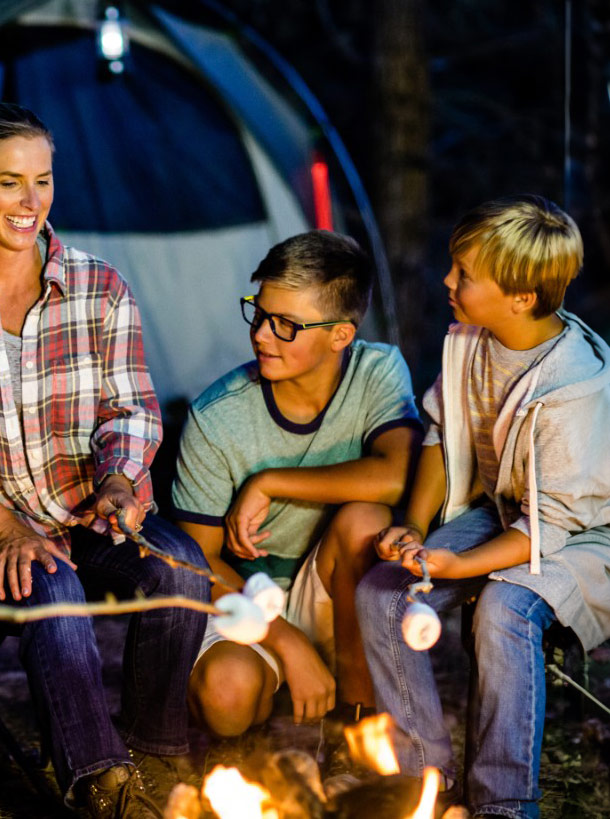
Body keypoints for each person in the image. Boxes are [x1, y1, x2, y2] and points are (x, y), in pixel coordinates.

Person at [0, 102, 208, 819]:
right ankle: (98, 785)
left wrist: (119, 479)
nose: (31, 203)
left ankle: (154, 753)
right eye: (10, 183)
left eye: (44, 181)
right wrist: (2, 528)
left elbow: (132, 408)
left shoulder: (99, 287)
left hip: (72, 502)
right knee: (50, 580)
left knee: (180, 569)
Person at [358, 195, 610, 819]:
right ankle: (425, 782)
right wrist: (414, 529)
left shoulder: (571, 385)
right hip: (503, 513)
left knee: (501, 606)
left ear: (522, 296)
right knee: (383, 592)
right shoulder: (471, 340)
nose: (448, 281)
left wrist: (449, 566)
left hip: (579, 534)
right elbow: (442, 439)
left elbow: (546, 528)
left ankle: (503, 802)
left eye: (464, 274)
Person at [170, 231, 422, 760]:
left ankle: (356, 729)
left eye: (286, 325)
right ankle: (262, 717)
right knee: (227, 696)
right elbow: (197, 563)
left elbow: (396, 475)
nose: (262, 335)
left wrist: (269, 480)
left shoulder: (377, 372)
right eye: (259, 314)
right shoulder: (217, 417)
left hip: (333, 590)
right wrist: (285, 640)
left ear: (340, 335)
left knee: (364, 518)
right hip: (244, 596)